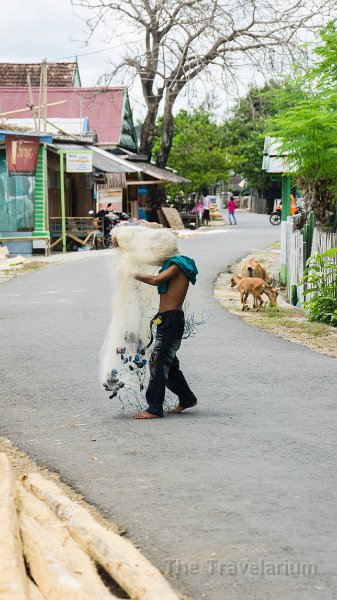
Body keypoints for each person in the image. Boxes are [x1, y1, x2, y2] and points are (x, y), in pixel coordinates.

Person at [132, 255, 198, 419]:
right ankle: (187, 398)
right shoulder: (174, 264)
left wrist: (132, 274)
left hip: (172, 321)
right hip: (167, 319)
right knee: (169, 364)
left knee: (158, 363)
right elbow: (152, 260)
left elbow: (155, 280)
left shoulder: (177, 265)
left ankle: (154, 408)